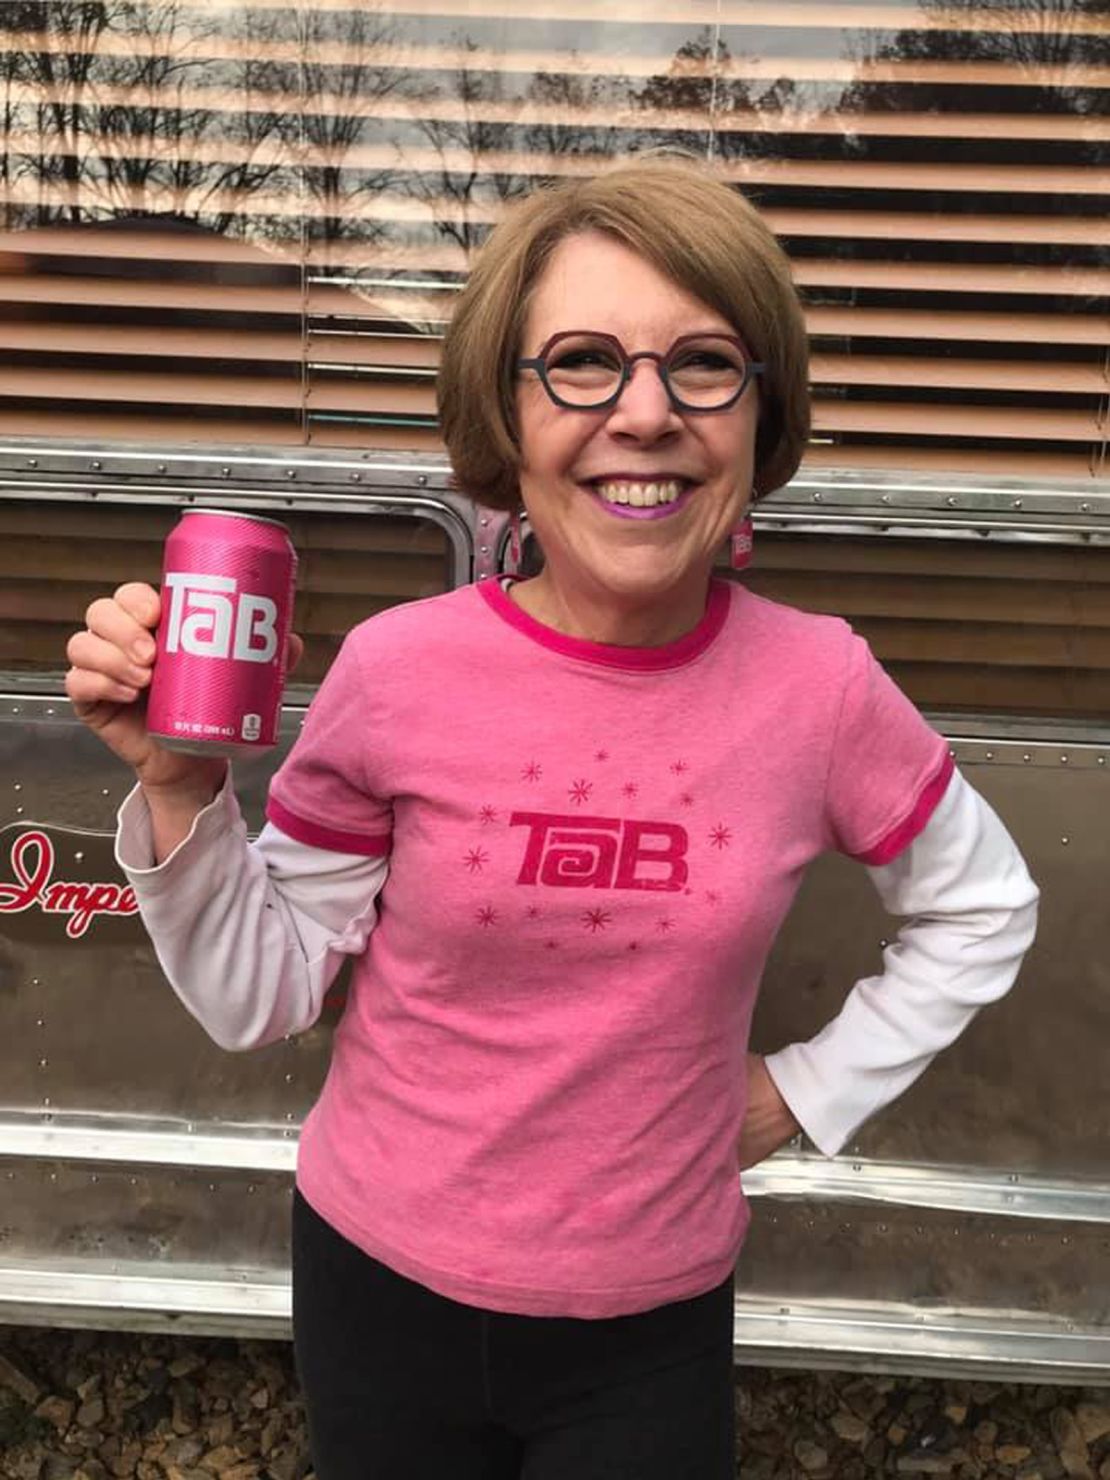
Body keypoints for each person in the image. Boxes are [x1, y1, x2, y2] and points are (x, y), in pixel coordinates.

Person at [65, 159, 1039, 1480]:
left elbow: (981, 910)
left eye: (704, 366)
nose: (643, 413)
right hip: (372, 1280)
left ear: (759, 419)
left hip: (648, 1322)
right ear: (505, 418)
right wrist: (181, 793)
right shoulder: (396, 671)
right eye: (579, 362)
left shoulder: (820, 688)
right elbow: (265, 995)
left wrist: (799, 1094)